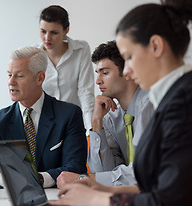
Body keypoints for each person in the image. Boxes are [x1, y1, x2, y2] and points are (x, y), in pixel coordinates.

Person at [50, 0, 192, 206]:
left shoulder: (187, 102)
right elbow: (158, 187)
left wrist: (94, 200)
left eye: (129, 57)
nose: (126, 70)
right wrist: (102, 189)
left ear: (156, 46)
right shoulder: (174, 99)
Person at [0, 46, 87, 189]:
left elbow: (75, 167)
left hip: (58, 198)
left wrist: (38, 179)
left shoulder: (69, 115)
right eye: (9, 75)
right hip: (15, 200)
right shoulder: (0, 120)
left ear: (40, 78)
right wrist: (8, 180)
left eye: (19, 76)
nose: (11, 82)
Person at [57, 41, 154, 188]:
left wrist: (83, 179)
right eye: (98, 73)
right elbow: (104, 171)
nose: (98, 81)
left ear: (128, 72)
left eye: (105, 73)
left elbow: (143, 173)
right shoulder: (111, 116)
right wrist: (96, 123)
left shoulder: (151, 106)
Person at [38, 5, 95, 132]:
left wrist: (91, 129)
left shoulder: (81, 50)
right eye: (43, 31)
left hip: (73, 124)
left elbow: (85, 92)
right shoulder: (32, 55)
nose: (47, 38)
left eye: (54, 32)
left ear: (66, 30)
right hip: (43, 126)